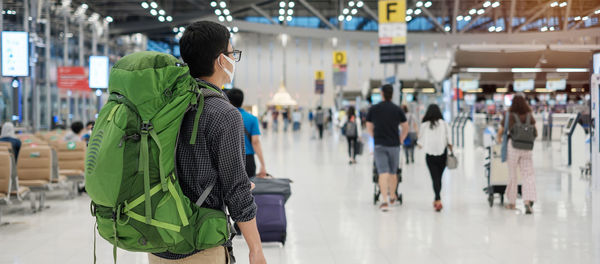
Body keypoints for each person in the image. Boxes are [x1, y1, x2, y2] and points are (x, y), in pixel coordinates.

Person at [150, 21, 265, 264]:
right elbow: (237, 192)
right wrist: (256, 250)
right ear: (221, 60)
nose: (234, 59)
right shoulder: (223, 113)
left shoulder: (165, 106)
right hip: (200, 245)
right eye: (232, 54)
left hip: (160, 240)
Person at [366, 84, 409, 212]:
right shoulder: (397, 109)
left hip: (380, 145)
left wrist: (374, 136)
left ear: (382, 94)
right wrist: (401, 139)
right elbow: (405, 126)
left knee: (382, 173)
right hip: (394, 145)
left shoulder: (374, 109)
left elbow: (368, 126)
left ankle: (384, 200)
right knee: (393, 173)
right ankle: (392, 197)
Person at [497, 94, 537, 214]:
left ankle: (512, 202)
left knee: (512, 175)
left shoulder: (509, 115)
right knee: (528, 175)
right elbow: (535, 131)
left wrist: (499, 138)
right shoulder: (529, 115)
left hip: (513, 146)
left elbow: (502, 130)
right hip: (527, 147)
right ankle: (527, 202)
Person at [225, 88, 268, 179]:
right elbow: (255, 142)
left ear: (228, 100)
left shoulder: (224, 117)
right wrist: (263, 164)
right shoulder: (252, 118)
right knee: (249, 188)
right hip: (248, 159)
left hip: (229, 158)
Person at [417, 104, 451, 212]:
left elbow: (420, 142)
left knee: (434, 177)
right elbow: (449, 140)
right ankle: (437, 199)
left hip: (430, 155)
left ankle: (437, 198)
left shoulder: (424, 125)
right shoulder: (444, 124)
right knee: (439, 177)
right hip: (442, 154)